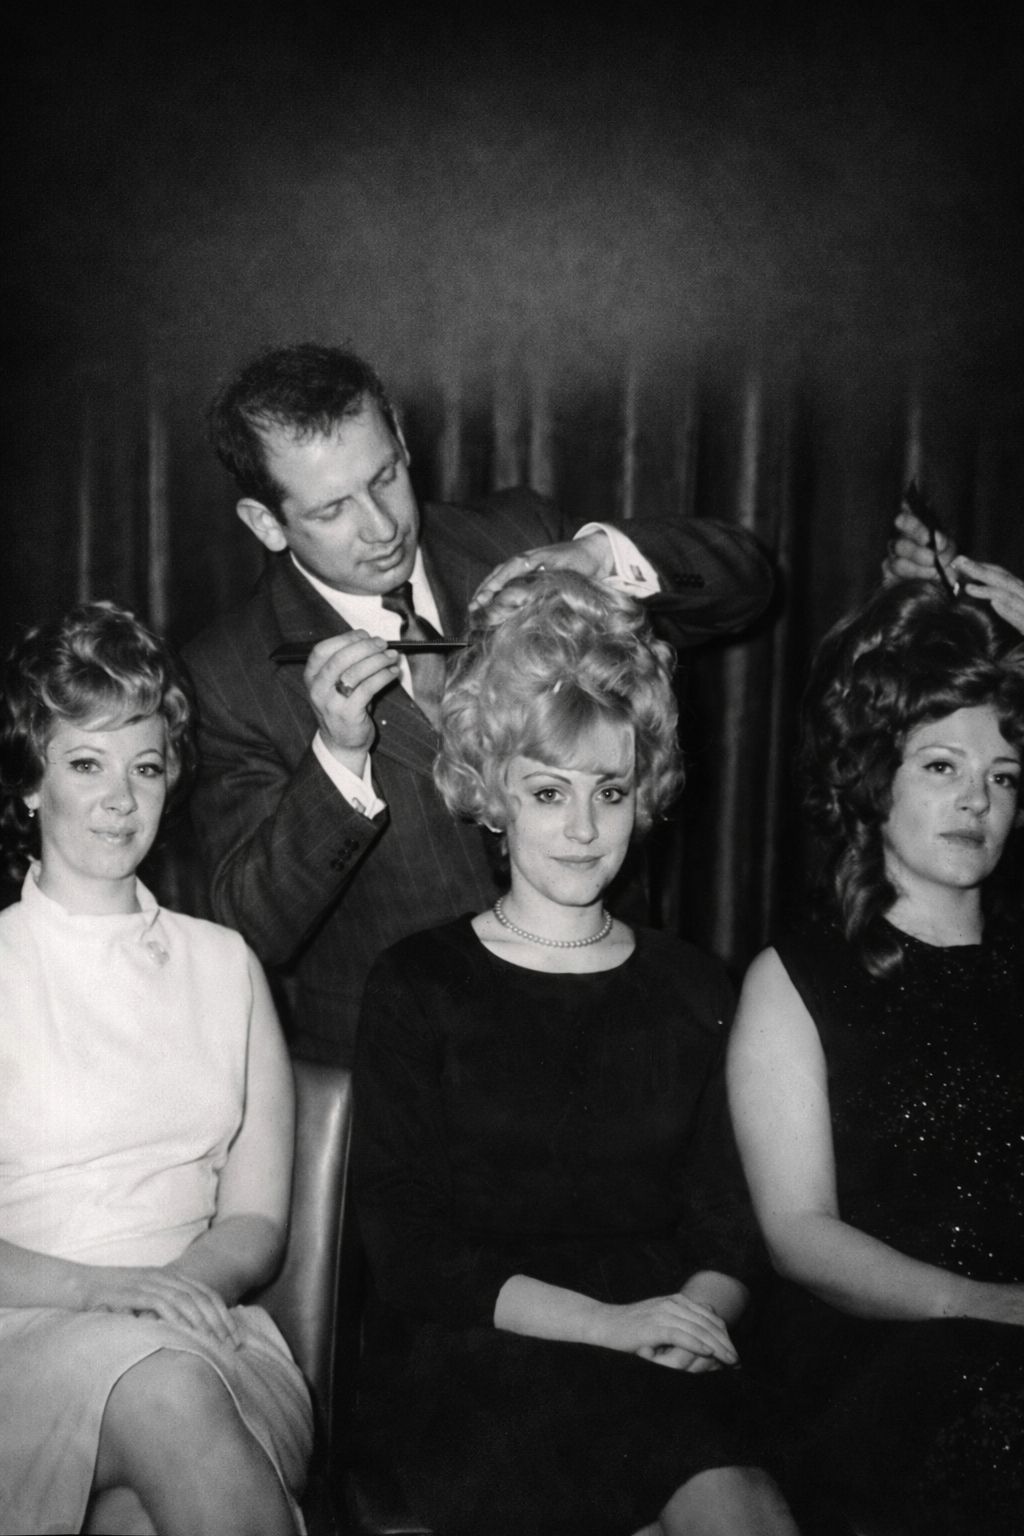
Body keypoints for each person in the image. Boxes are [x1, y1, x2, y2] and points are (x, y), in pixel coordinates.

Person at [351, 571, 799, 1536]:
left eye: (612, 791)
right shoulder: (417, 983)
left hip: (664, 1341)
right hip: (478, 1357)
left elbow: (731, 1225)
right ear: (492, 795)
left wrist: (688, 1321)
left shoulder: (694, 986)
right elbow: (408, 1249)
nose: (585, 828)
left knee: (745, 1512)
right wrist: (608, 1325)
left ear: (646, 796)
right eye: (549, 792)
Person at [183, 342, 775, 1064]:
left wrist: (599, 559)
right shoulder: (227, 674)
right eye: (333, 509)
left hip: (611, 1019)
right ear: (265, 522)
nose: (381, 526)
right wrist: (336, 762)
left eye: (386, 477)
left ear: (402, 441)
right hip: (414, 1067)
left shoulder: (517, 535)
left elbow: (748, 584)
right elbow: (252, 932)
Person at [0, 602, 312, 1536]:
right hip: (22, 1334)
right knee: (166, 1400)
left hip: (209, 1332)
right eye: (84, 764)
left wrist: (174, 1286)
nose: (120, 799)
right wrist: (107, 1292)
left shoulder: (227, 965)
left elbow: (255, 1220)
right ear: (30, 783)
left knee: (156, 1470)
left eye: (144, 766)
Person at [727, 581, 1024, 1536]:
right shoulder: (797, 980)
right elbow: (800, 1236)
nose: (977, 799)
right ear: (871, 778)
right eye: (941, 766)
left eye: (1005, 776)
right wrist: (988, 1306)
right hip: (876, 1368)